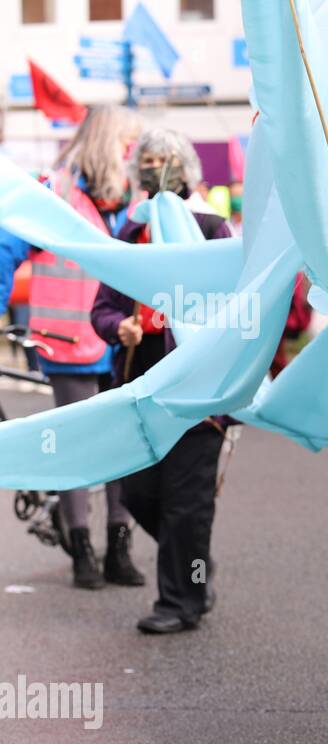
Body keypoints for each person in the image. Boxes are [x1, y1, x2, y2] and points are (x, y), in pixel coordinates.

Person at [90, 129, 233, 634]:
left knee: (184, 502)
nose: (155, 168)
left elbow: (238, 305)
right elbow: (102, 308)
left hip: (197, 393)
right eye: (147, 160)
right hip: (139, 386)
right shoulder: (131, 235)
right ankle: (191, 562)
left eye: (164, 159)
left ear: (185, 166)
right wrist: (118, 327)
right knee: (137, 493)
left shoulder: (213, 228)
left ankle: (179, 601)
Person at [0, 106, 145, 590]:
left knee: (122, 446)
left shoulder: (138, 197)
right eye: (129, 141)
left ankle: (118, 547)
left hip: (126, 343)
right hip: (69, 344)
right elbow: (7, 250)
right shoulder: (53, 192)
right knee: (76, 449)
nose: (135, 151)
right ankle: (82, 548)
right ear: (109, 141)